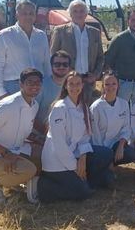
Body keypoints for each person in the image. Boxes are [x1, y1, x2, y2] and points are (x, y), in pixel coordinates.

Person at [38, 71, 114, 203]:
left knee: (106, 154)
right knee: (83, 192)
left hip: (76, 154)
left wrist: (83, 158)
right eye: (71, 84)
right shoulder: (59, 108)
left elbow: (85, 137)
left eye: (78, 83)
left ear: (82, 85)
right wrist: (75, 167)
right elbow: (59, 144)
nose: (74, 87)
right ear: (65, 86)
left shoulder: (82, 107)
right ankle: (41, 187)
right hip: (57, 162)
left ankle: (86, 180)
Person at [0, 68, 43, 206]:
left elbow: (22, 129)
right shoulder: (7, 105)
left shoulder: (34, 105)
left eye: (38, 82)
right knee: (29, 169)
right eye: (30, 82)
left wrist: (39, 140)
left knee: (44, 155)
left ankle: (14, 182)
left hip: (15, 150)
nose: (34, 86)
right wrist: (6, 154)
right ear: (21, 84)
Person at [0, 0, 50, 99]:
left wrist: (49, 87)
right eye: (24, 13)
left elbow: (46, 63)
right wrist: (0, 92)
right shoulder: (4, 36)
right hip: (14, 87)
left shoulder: (41, 36)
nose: (28, 16)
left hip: (38, 86)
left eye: (31, 13)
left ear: (35, 16)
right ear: (17, 15)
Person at [50, 0, 104, 104]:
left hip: (88, 82)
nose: (79, 14)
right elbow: (53, 56)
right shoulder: (60, 31)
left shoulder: (95, 32)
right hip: (67, 82)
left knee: (86, 111)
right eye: (75, 11)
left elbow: (100, 57)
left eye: (82, 11)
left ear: (86, 13)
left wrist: (95, 75)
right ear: (70, 14)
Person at [90, 72, 135, 187]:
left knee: (130, 154)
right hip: (100, 148)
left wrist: (121, 146)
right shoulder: (96, 107)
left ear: (118, 85)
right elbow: (95, 136)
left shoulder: (124, 104)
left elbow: (126, 128)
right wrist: (106, 157)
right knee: (108, 182)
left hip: (115, 144)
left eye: (113, 84)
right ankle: (104, 168)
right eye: (107, 84)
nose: (111, 87)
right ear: (102, 86)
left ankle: (111, 165)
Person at [104, 7, 135, 104]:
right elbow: (109, 60)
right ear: (128, 21)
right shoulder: (119, 38)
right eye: (133, 20)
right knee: (121, 111)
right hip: (123, 83)